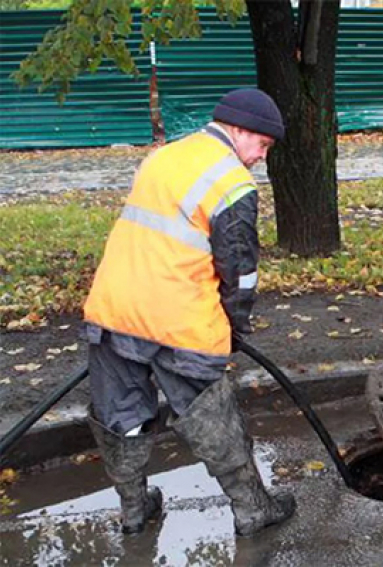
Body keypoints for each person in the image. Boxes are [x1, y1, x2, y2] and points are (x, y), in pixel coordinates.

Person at [83, 88, 292, 535]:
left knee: (121, 415)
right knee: (211, 413)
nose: (260, 157)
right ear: (239, 130)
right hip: (177, 320)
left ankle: (135, 510)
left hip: (113, 309)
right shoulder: (232, 181)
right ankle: (252, 508)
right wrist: (235, 328)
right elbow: (239, 271)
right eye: (262, 145)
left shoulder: (164, 156)